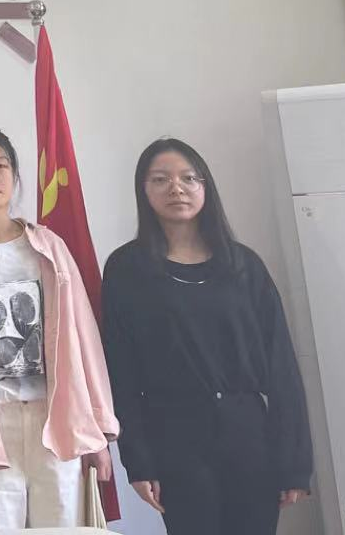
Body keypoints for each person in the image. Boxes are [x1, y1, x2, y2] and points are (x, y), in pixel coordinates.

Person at [102, 137, 312, 535]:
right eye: (160, 179)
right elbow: (121, 373)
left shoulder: (244, 265)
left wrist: (295, 463)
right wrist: (138, 461)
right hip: (174, 436)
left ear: (205, 186)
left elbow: (282, 365)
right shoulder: (127, 269)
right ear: (143, 190)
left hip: (248, 434)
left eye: (189, 178)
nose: (176, 188)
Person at [0, 122, 117, 529]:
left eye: (1, 165)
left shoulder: (48, 246)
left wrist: (99, 428)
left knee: (64, 525)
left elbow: (83, 337)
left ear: (15, 173)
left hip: (56, 419)